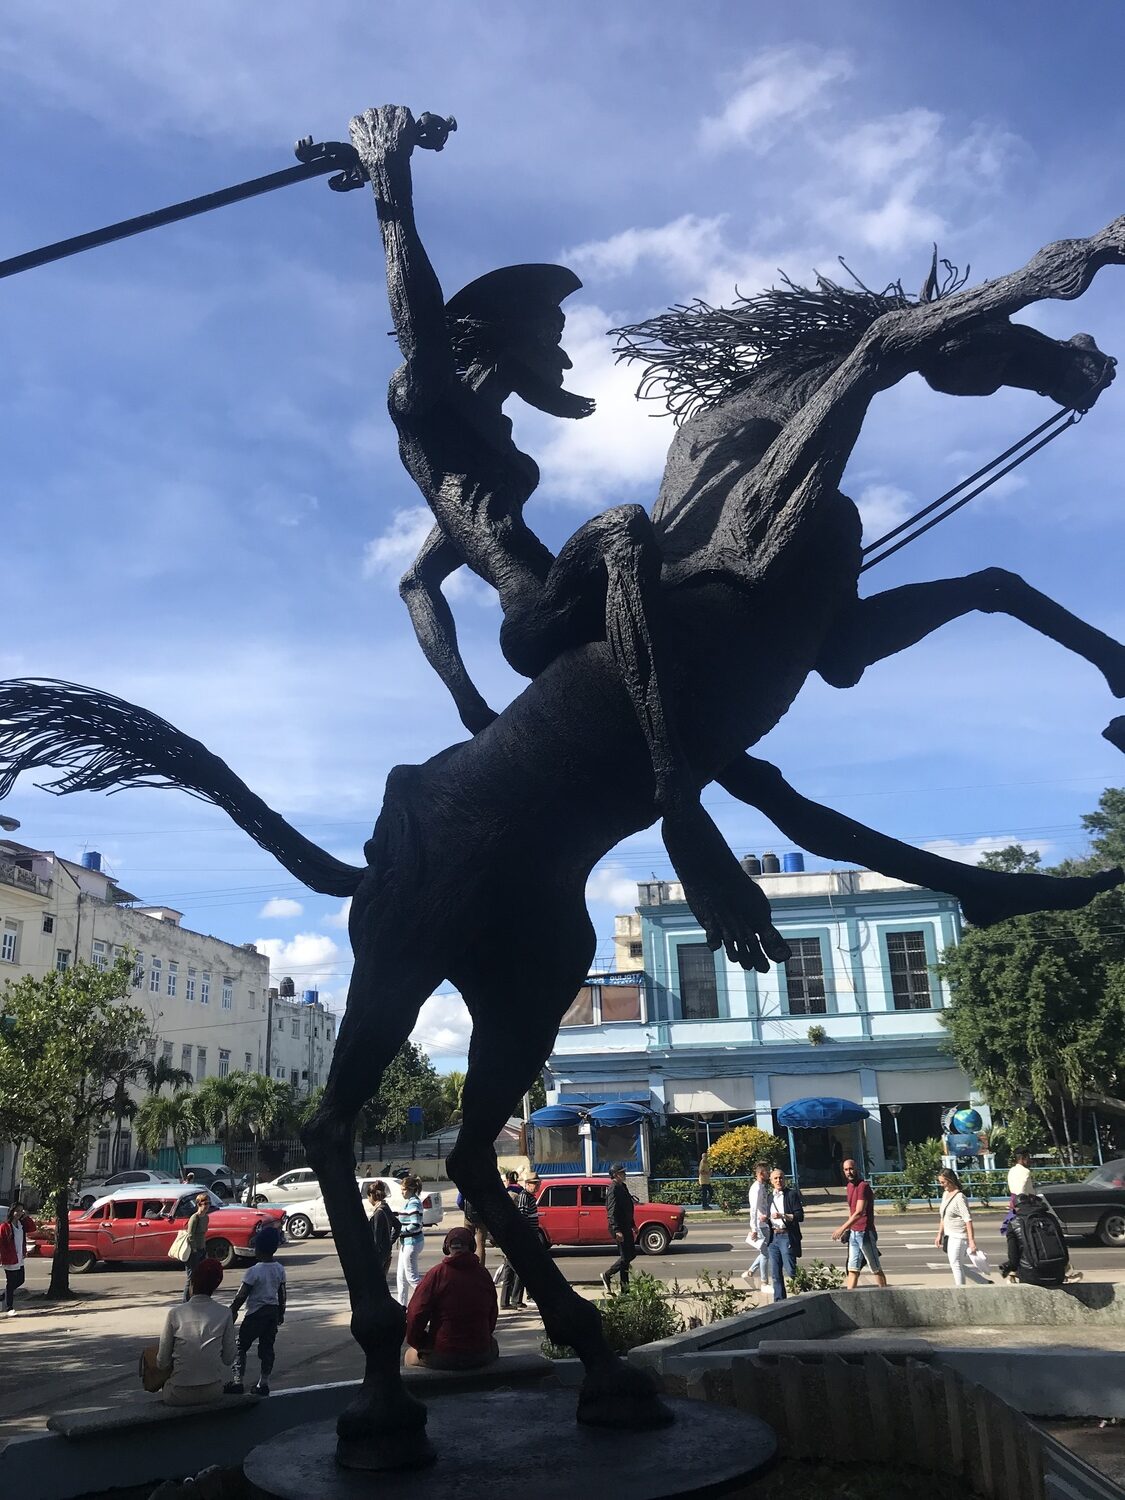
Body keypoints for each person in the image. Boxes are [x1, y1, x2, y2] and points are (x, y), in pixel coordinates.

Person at [404, 1226, 498, 1370]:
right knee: (494, 1345)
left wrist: (421, 1342)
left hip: (445, 1354)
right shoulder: (483, 1274)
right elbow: (492, 1314)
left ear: (447, 1248)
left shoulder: (437, 1274)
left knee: (409, 1356)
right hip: (480, 1353)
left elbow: (415, 1315)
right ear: (472, 1247)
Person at [156, 1258, 236, 1406]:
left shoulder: (175, 1314)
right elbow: (229, 1359)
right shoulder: (225, 1313)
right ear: (215, 1286)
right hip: (213, 1392)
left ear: (191, 1284)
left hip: (178, 1393)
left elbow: (162, 1362)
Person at [227, 1225, 286, 1396]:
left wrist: (233, 1310)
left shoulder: (253, 1271)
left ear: (258, 1249)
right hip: (272, 1312)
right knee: (267, 1347)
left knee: (240, 1346)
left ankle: (237, 1381)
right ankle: (263, 1383)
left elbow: (242, 1294)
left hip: (255, 1314)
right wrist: (281, 1312)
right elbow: (282, 1293)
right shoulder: (279, 1269)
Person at [831, 1159, 889, 1290]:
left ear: (856, 1168)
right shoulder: (850, 1187)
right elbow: (852, 1211)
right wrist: (848, 1230)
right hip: (854, 1233)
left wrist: (842, 1228)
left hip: (865, 1233)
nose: (849, 1172)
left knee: (875, 1267)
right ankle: (850, 1297)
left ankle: (885, 1295)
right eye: (846, 1170)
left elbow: (859, 1212)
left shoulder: (863, 1186)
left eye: (851, 1169)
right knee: (852, 1268)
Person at [1002, 1193, 1071, 1287]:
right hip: (1057, 1275)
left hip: (1031, 1276)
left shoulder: (1014, 1223)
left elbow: (1013, 1259)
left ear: (1017, 1207)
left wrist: (1007, 1267)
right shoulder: (1050, 1218)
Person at [936, 1169, 990, 1286]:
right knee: (956, 1264)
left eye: (943, 1182)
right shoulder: (945, 1195)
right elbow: (943, 1216)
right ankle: (984, 1283)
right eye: (940, 1182)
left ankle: (961, 1291)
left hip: (959, 1237)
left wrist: (971, 1241)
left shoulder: (960, 1197)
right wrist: (939, 1233)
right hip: (949, 1236)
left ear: (950, 1180)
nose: (941, 1185)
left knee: (956, 1265)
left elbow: (968, 1220)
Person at [497, 1171, 540, 1310]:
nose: (537, 1186)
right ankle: (514, 1300)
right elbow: (522, 1219)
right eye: (534, 1184)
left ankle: (506, 1302)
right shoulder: (524, 1197)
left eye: (538, 1184)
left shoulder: (530, 1197)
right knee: (520, 1271)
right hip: (520, 1240)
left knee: (510, 1271)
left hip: (521, 1239)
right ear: (527, 1184)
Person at [764, 1167, 804, 1302]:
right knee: (775, 1274)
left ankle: (801, 1296)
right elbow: (769, 1216)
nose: (778, 1180)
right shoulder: (770, 1197)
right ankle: (779, 1301)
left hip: (787, 1236)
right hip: (773, 1237)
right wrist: (766, 1218)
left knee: (791, 1270)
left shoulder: (791, 1195)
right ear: (771, 1181)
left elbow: (800, 1215)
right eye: (775, 1178)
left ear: (784, 1179)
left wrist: (783, 1215)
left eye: (781, 1177)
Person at [601, 1164, 636, 1294]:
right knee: (625, 1256)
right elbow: (611, 1211)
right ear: (615, 1175)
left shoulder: (623, 1187)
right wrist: (616, 1230)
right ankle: (609, 1276)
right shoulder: (613, 1189)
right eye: (622, 1173)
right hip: (619, 1227)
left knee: (630, 1255)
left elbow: (627, 1208)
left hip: (626, 1225)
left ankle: (624, 1288)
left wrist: (633, 1224)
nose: (624, 1174)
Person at [1, 1204, 36, 1316]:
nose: (19, 1213)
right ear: (12, 1212)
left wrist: (26, 1217)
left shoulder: (22, 1225)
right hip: (9, 1258)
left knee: (20, 1280)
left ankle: (4, 1296)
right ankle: (8, 1307)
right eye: (17, 1211)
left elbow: (32, 1228)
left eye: (21, 1211)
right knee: (11, 1283)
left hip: (19, 1257)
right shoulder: (5, 1226)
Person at [741, 1162, 771, 1290]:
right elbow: (753, 1209)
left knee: (765, 1252)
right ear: (760, 1174)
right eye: (767, 1172)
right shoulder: (756, 1188)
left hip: (764, 1223)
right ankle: (764, 1282)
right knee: (765, 1254)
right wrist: (753, 1228)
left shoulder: (762, 1186)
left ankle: (750, 1273)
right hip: (760, 1225)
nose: (769, 1174)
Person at [396, 1174, 425, 1306]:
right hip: (406, 1243)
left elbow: (416, 1224)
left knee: (411, 1278)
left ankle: (429, 1299)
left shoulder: (414, 1202)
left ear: (412, 1189)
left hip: (411, 1243)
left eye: (404, 1189)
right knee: (401, 1277)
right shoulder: (410, 1202)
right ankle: (402, 1307)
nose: (402, 1192)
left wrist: (400, 1231)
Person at [182, 1191, 211, 1302]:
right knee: (191, 1278)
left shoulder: (206, 1218)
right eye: (205, 1204)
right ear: (199, 1204)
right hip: (193, 1251)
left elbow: (204, 1234)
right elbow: (190, 1235)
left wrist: (204, 1249)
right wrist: (194, 1249)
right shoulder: (195, 1217)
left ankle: (196, 1300)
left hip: (202, 1249)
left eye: (208, 1203)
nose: (207, 1206)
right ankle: (185, 1302)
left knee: (201, 1277)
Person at [367, 1181, 400, 1279]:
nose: (369, 1200)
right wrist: (390, 1241)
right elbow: (398, 1225)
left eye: (368, 1197)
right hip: (387, 1251)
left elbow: (377, 1237)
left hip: (380, 1254)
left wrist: (373, 1255)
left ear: (372, 1195)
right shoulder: (386, 1208)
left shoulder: (378, 1213)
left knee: (376, 1281)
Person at [462, 1192, 488, 1267]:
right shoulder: (485, 1184)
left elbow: (459, 1201)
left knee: (467, 1241)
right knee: (480, 1243)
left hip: (468, 1217)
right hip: (482, 1217)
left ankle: (467, 1264)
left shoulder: (466, 1184)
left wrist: (465, 1210)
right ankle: (480, 1267)